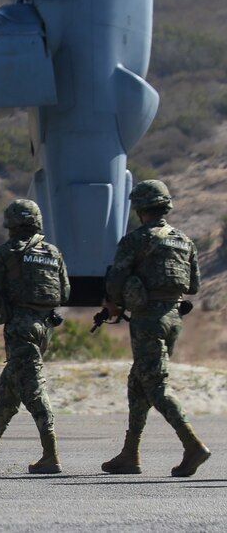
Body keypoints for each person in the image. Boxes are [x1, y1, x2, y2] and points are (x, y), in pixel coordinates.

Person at [101, 180, 209, 477]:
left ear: (139, 209)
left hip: (148, 319)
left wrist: (114, 302)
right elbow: (194, 286)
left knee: (155, 386)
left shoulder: (136, 240)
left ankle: (193, 446)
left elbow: (116, 280)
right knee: (139, 382)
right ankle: (129, 454)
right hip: (173, 316)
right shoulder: (184, 241)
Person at [0, 200, 68, 474]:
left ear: (10, 224)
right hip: (44, 328)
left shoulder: (4, 253)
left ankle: (51, 455)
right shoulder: (53, 252)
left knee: (33, 391)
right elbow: (65, 293)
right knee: (9, 388)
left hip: (19, 330)